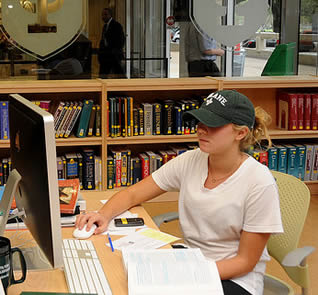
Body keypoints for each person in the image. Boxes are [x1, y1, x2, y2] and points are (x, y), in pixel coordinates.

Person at [76, 90, 283, 295]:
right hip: (191, 260)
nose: (201, 130)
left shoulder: (259, 183)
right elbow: (133, 194)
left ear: (241, 133)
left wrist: (186, 273)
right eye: (200, 122)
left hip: (234, 280)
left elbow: (244, 262)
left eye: (212, 124)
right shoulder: (191, 160)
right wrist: (103, 214)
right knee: (118, 276)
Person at [98, 8, 125, 78]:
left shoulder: (117, 25)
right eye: (102, 15)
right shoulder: (105, 26)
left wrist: (114, 51)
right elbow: (103, 40)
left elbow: (121, 41)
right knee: (102, 76)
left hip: (114, 55)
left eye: (105, 14)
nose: (103, 17)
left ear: (110, 15)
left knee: (120, 75)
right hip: (106, 55)